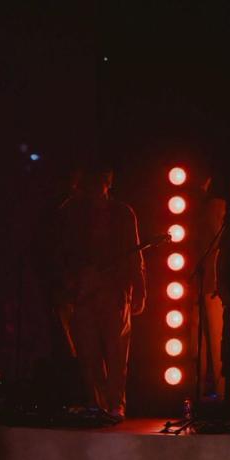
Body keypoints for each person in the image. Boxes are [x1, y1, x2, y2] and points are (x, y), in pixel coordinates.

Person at [52, 166, 145, 421]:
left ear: (108, 182)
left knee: (116, 351)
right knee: (87, 352)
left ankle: (115, 404)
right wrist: (69, 284)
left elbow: (135, 252)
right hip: (83, 292)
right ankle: (97, 403)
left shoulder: (123, 213)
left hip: (114, 290)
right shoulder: (71, 212)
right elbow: (60, 253)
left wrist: (139, 288)